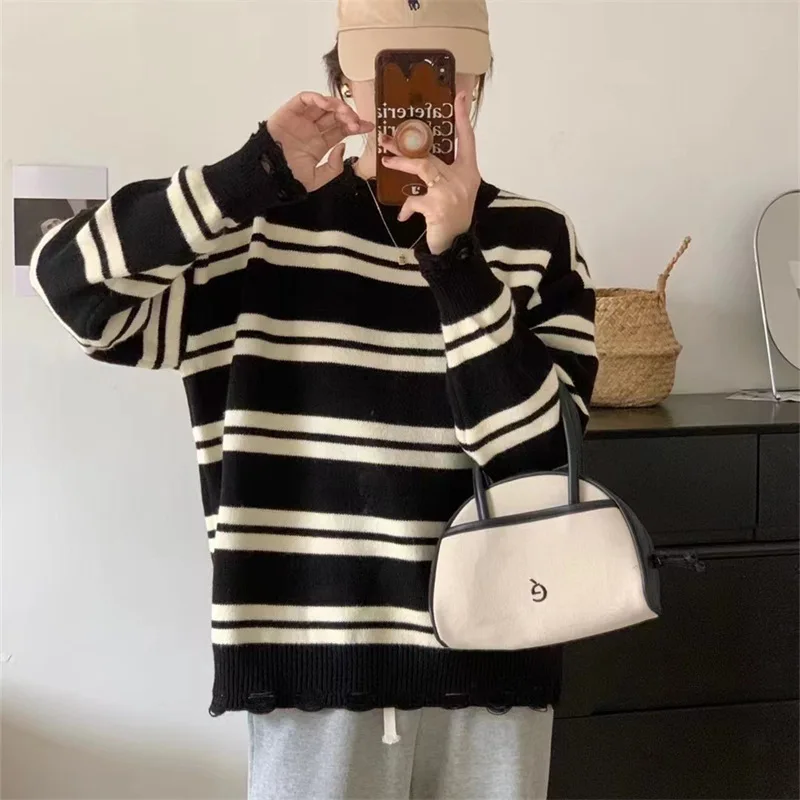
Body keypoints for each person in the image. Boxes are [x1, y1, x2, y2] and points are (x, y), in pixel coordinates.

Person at [30, 0, 597, 797]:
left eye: (448, 68)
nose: (424, 90)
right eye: (393, 67)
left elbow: (545, 456)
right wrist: (249, 173)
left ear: (477, 83)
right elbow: (71, 289)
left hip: (498, 657)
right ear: (345, 82)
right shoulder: (258, 231)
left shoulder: (536, 237)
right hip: (310, 663)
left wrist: (457, 261)